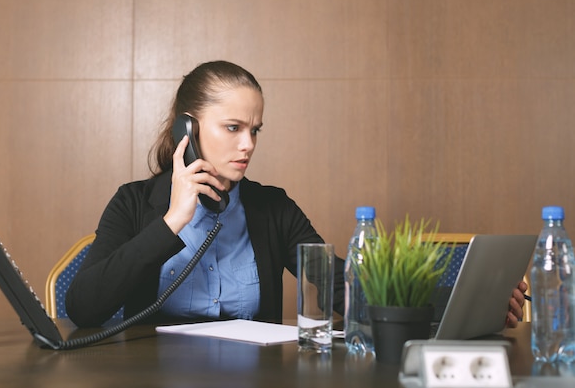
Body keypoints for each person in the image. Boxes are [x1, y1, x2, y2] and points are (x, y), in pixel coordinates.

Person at [65, 60, 527, 329]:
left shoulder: (272, 208)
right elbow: (84, 309)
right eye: (233, 128)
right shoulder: (133, 203)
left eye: (255, 130)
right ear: (188, 128)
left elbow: (345, 289)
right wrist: (173, 221)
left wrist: (470, 302)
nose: (248, 145)